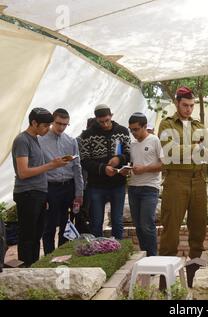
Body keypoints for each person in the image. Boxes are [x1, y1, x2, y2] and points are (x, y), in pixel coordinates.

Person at [158, 87, 208, 259]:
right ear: (176, 103)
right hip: (176, 180)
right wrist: (197, 147)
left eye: (191, 106)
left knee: (199, 227)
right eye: (185, 105)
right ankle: (165, 280)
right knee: (171, 229)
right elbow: (169, 151)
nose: (188, 109)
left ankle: (194, 273)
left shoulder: (199, 125)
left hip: (198, 180)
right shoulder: (167, 124)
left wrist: (185, 150)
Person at [12, 108, 68, 266]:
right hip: (28, 192)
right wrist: (51, 165)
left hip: (39, 192)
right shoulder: (22, 140)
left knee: (37, 235)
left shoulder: (35, 138)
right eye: (45, 125)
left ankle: (34, 265)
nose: (48, 129)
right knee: (28, 236)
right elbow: (23, 172)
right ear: (34, 123)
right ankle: (26, 267)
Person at [79, 104, 131, 239]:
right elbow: (84, 160)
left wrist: (119, 159)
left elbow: (129, 153)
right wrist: (103, 168)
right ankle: (98, 250)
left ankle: (118, 248)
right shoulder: (87, 135)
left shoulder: (123, 131)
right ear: (96, 119)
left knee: (117, 221)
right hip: (96, 186)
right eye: (101, 121)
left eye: (107, 120)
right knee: (96, 221)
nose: (105, 124)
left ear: (111, 116)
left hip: (118, 184)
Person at [39, 108, 84, 254]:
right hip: (50, 187)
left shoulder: (71, 141)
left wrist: (79, 193)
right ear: (52, 121)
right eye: (59, 123)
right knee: (50, 225)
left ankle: (63, 255)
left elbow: (77, 168)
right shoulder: (40, 141)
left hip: (68, 186)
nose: (62, 127)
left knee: (67, 224)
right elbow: (39, 167)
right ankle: (48, 256)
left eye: (65, 124)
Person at [127, 112, 163, 256]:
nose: (133, 133)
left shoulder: (155, 140)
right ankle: (144, 256)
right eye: (131, 130)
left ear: (144, 127)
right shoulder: (132, 144)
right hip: (133, 187)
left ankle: (153, 257)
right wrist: (126, 170)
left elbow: (164, 165)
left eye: (136, 129)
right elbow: (132, 163)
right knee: (139, 227)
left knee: (147, 225)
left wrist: (144, 169)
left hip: (150, 187)